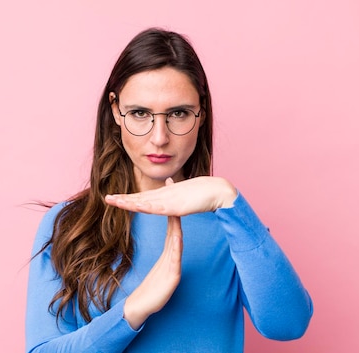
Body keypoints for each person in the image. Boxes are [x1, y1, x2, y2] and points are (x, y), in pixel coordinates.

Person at [25, 28, 313, 353]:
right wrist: (133, 311)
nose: (159, 137)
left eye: (178, 113)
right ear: (115, 111)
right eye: (139, 113)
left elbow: (288, 325)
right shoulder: (68, 224)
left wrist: (227, 197)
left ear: (201, 113)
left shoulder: (231, 224)